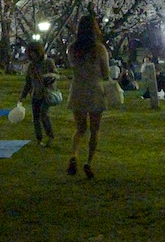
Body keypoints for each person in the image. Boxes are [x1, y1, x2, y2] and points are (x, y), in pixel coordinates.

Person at [66, 12, 110, 179]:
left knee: (80, 129)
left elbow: (72, 66)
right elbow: (105, 73)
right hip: (95, 90)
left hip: (77, 89)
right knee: (94, 130)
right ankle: (88, 162)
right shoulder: (99, 49)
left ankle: (74, 155)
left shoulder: (72, 48)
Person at [19, 41, 58, 147]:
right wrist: (22, 96)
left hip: (46, 93)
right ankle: (39, 139)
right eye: (30, 53)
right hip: (35, 94)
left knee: (44, 115)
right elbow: (28, 83)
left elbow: (55, 75)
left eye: (33, 52)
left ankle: (50, 136)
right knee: (35, 117)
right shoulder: (31, 66)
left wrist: (48, 79)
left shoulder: (48, 62)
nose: (32, 55)